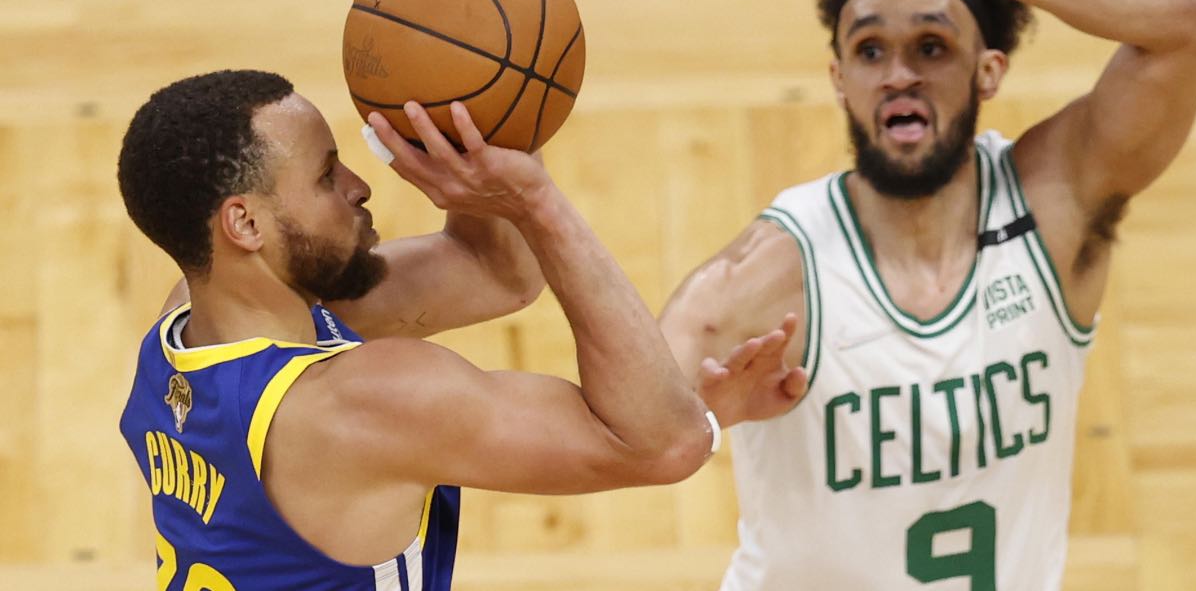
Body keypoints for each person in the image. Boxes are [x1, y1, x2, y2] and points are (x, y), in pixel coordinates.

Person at [660, 0, 1196, 590]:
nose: (899, 75)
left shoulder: (1055, 208)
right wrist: (697, 427)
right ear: (838, 78)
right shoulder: (771, 274)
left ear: (988, 71)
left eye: (931, 46)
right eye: (870, 50)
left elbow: (1186, 21)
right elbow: (623, 432)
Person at [117, 69, 791, 591]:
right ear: (244, 224)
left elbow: (493, 271)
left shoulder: (185, 327)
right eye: (326, 176)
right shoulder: (364, 404)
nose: (358, 185)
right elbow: (663, 445)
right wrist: (535, 202)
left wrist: (468, 85)